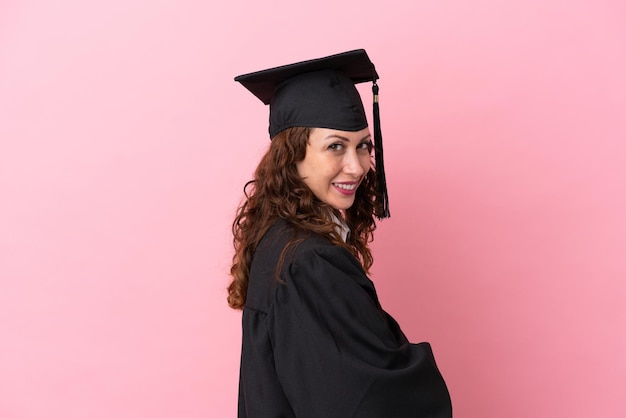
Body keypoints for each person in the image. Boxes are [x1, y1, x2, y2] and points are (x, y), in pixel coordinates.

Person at [228, 49, 452, 418]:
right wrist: (418, 365)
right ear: (292, 155)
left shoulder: (279, 241)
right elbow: (361, 399)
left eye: (363, 145)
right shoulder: (310, 261)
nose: (357, 166)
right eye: (335, 146)